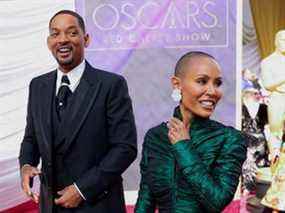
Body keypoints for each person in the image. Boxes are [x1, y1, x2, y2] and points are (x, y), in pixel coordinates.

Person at [18, 10, 137, 213]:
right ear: (49, 42)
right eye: (55, 34)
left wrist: (82, 190)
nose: (62, 40)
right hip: (50, 207)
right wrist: (26, 165)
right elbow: (31, 138)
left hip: (97, 205)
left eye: (72, 33)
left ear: (86, 39)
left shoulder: (111, 85)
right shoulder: (37, 86)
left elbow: (125, 148)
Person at [135, 51, 247, 212]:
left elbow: (218, 201)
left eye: (217, 83)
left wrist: (183, 147)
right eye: (202, 81)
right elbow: (145, 200)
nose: (213, 91)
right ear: (176, 84)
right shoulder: (156, 137)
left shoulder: (229, 139)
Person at [260, 30, 285, 212]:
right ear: (276, 41)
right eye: (282, 39)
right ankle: (277, 177)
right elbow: (268, 83)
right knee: (275, 137)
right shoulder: (267, 61)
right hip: (277, 99)